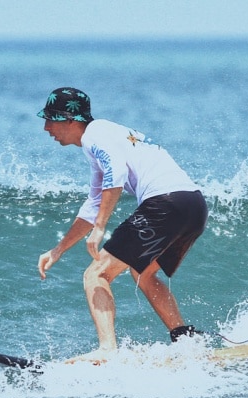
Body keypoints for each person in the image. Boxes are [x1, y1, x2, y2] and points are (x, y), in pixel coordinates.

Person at [36, 87, 208, 364]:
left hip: (164, 203)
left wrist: (100, 228)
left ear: (70, 119)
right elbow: (93, 205)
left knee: (96, 274)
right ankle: (185, 340)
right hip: (193, 205)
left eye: (50, 119)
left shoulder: (95, 136)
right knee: (144, 273)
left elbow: (115, 175)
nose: (46, 128)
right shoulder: (105, 138)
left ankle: (106, 350)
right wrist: (58, 250)